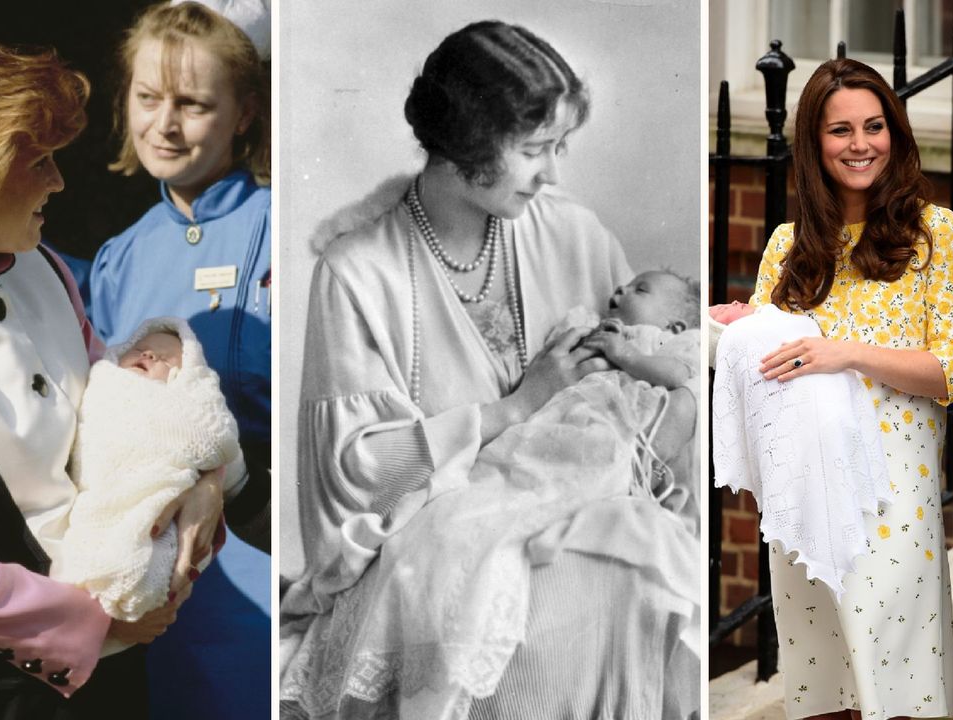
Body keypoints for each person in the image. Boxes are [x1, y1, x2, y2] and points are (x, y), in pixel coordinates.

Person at [280, 20, 701, 719]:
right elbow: (355, 475)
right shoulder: (359, 272)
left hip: (580, 516)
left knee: (645, 565)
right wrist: (511, 410)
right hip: (431, 547)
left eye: (558, 147)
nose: (554, 172)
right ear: (470, 141)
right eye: (535, 150)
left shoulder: (571, 232)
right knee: (586, 589)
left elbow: (664, 380)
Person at [0, 39, 227, 718]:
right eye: (42, 163)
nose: (59, 183)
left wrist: (205, 488)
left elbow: (116, 433)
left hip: (111, 676)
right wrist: (99, 623)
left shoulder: (45, 269)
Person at [746, 58, 953, 719]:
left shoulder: (937, 236)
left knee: (896, 692)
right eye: (840, 129)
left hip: (894, 504)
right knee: (822, 697)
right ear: (815, 142)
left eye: (875, 126)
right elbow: (759, 366)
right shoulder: (788, 247)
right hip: (806, 502)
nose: (860, 144)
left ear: (896, 135)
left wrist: (843, 354)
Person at [87, 3, 271, 717]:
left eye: (192, 103)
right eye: (147, 98)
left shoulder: (278, 226)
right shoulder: (118, 260)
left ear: (244, 113)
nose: (164, 124)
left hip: (260, 554)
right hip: (152, 577)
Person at [53, 318, 242, 627]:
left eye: (166, 359)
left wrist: (210, 479)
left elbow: (217, 440)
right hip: (95, 494)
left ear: (185, 379)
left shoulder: (180, 408)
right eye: (141, 349)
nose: (150, 356)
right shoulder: (103, 383)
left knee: (144, 550)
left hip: (153, 494)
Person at [712, 301, 893, 598]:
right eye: (718, 311)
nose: (732, 301)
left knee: (873, 604)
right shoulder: (748, 331)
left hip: (884, 445)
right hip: (802, 445)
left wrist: (847, 353)